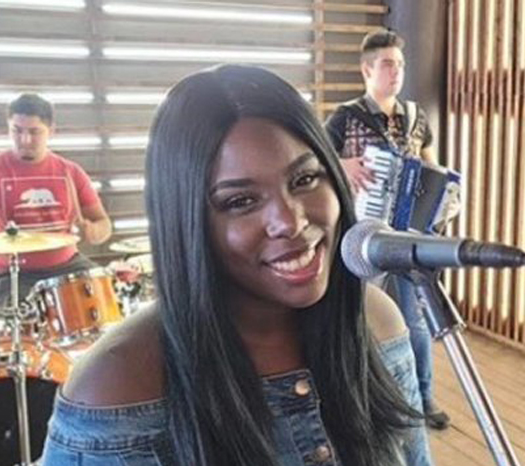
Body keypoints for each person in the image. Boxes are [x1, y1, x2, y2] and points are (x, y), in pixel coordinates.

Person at [41, 65, 433, 465]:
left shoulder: (377, 322)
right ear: (188, 222)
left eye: (304, 179)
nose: (291, 221)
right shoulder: (115, 387)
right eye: (240, 201)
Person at [325, 29, 452, 430]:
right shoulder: (345, 118)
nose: (396, 72)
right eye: (387, 64)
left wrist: (443, 194)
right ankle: (361, 396)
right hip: (361, 236)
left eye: (400, 65)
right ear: (367, 69)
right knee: (358, 317)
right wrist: (342, 164)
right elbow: (314, 162)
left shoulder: (416, 118)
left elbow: (432, 167)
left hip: (406, 234)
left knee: (414, 320)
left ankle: (423, 397)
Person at [0, 93, 112, 310]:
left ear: (51, 131)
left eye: (34, 132)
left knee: (108, 303)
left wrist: (94, 232)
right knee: (16, 320)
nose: (25, 140)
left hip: (68, 266)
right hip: (11, 275)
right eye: (17, 131)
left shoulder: (71, 172)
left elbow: (103, 224)